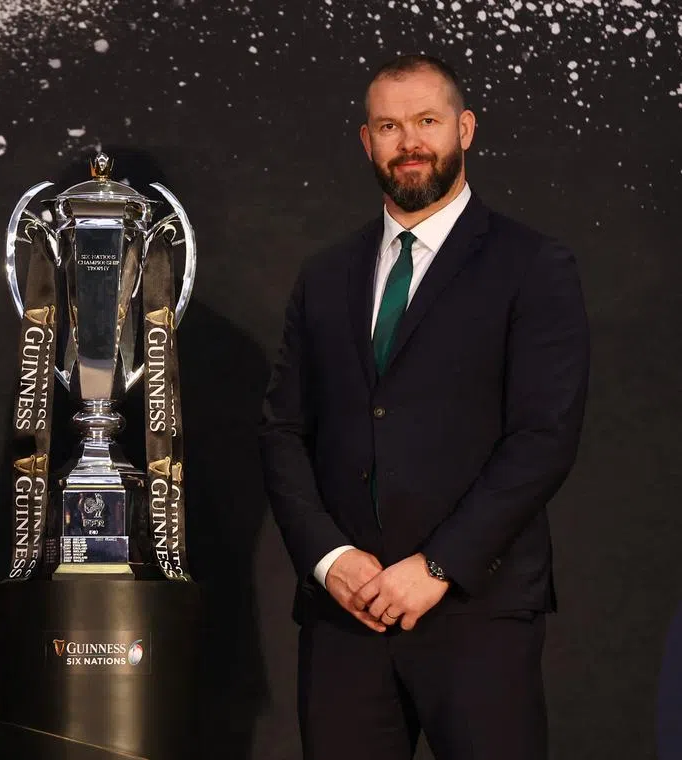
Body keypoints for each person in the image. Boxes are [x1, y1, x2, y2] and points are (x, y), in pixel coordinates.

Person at [259, 55, 589, 760]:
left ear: (464, 130)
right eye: (389, 125)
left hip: (477, 610)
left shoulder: (533, 265)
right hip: (346, 613)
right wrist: (328, 557)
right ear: (366, 141)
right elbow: (283, 429)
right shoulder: (325, 277)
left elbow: (543, 438)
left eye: (427, 121)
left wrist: (436, 567)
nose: (408, 141)